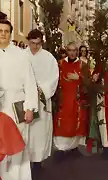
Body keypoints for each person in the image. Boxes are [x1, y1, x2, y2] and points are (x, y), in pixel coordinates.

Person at [0, 19, 38, 180]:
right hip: (0, 108)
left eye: (6, 31)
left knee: (17, 147)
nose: (3, 34)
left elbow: (30, 83)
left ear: (10, 34)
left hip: (16, 105)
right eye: (0, 31)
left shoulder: (21, 55)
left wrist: (30, 108)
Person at [25, 29, 59, 177]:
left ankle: (38, 161)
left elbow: (54, 78)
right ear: (28, 42)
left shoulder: (49, 58)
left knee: (39, 131)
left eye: (38, 44)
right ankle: (24, 162)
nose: (35, 47)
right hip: (25, 100)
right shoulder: (22, 56)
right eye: (32, 43)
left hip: (42, 100)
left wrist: (41, 89)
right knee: (27, 132)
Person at [53, 42, 89, 159]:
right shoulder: (60, 64)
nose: (72, 52)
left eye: (74, 50)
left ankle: (73, 147)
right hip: (63, 100)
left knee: (76, 124)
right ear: (66, 51)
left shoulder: (82, 65)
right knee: (62, 124)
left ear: (77, 52)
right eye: (70, 50)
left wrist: (80, 78)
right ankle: (60, 148)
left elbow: (89, 84)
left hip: (76, 100)